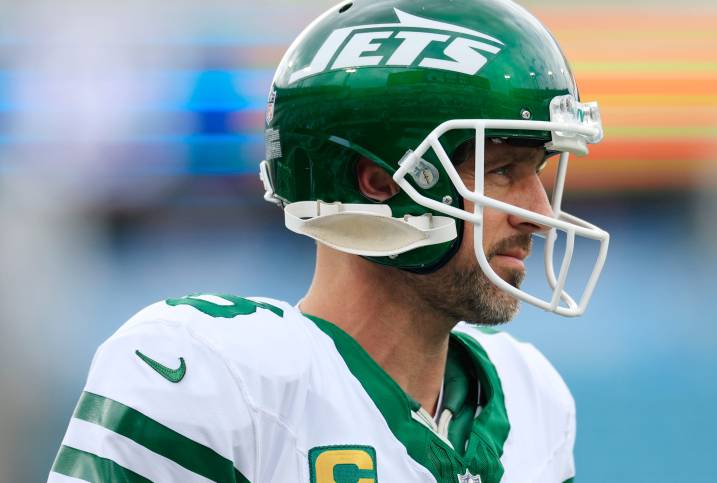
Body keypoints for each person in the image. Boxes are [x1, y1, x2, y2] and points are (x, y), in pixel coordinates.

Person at [49, 0, 608, 481]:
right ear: (381, 182)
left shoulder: (532, 399)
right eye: (505, 170)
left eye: (539, 172)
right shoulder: (214, 380)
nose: (538, 213)